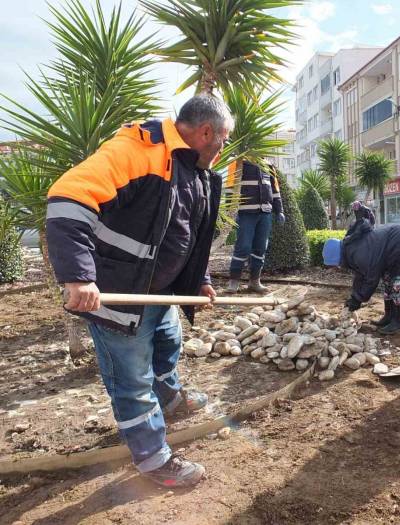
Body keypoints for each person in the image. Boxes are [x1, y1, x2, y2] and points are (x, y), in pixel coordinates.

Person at [46, 95, 234, 487]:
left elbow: (189, 235)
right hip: (121, 294)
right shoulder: (137, 150)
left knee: (168, 348)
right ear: (205, 132)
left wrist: (199, 280)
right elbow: (68, 198)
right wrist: (79, 278)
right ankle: (153, 461)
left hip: (159, 295)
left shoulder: (193, 168)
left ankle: (169, 399)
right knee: (132, 382)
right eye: (223, 139)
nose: (223, 149)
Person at [323, 201, 400, 335]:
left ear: (337, 257)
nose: (337, 268)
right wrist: (354, 297)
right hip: (394, 247)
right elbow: (360, 275)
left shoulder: (359, 254)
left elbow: (371, 278)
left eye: (334, 265)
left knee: (398, 283)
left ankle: (396, 322)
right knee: (387, 281)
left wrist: (358, 299)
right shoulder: (350, 249)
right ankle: (388, 317)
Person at [227, 161, 285, 294]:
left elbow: (275, 190)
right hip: (245, 213)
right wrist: (230, 213)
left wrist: (279, 210)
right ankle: (233, 281)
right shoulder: (237, 162)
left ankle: (255, 281)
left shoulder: (269, 165)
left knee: (260, 248)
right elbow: (230, 188)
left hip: (265, 213)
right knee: (243, 247)